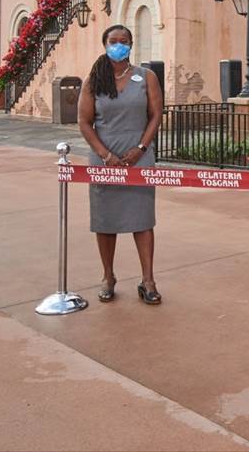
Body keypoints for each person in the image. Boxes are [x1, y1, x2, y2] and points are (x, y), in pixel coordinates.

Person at [78, 24, 164, 305]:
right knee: (106, 221)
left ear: (131, 44)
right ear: (105, 44)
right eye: (113, 41)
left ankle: (148, 279)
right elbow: (84, 121)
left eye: (124, 41)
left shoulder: (146, 77)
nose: (119, 45)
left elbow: (155, 115)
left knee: (142, 220)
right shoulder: (94, 80)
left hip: (138, 158)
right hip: (104, 160)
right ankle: (108, 276)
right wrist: (105, 155)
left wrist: (141, 148)